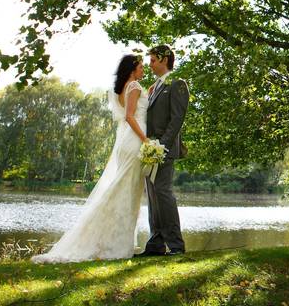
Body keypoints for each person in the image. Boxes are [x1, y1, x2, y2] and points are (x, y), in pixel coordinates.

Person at [31, 54, 151, 262]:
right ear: (133, 68)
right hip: (135, 140)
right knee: (127, 191)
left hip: (127, 141)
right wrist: (146, 140)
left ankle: (112, 241)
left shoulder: (124, 88)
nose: (143, 70)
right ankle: (115, 245)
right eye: (141, 67)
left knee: (125, 190)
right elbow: (130, 116)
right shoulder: (134, 87)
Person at [137, 44, 189, 257]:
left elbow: (177, 119)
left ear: (164, 59)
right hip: (151, 150)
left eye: (152, 61)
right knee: (153, 195)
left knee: (163, 193)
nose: (149, 65)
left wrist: (162, 146)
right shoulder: (154, 87)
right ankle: (156, 244)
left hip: (164, 150)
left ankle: (176, 245)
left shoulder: (177, 84)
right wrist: (149, 146)